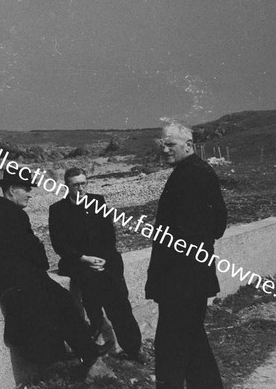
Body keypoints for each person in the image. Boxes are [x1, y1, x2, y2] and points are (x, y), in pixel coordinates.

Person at [0, 166, 111, 377]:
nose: (30, 193)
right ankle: (83, 352)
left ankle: (84, 351)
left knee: (58, 300)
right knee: (62, 300)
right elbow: (35, 254)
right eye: (26, 189)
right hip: (18, 280)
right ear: (11, 191)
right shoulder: (15, 216)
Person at [145, 121, 227, 389]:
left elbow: (197, 230)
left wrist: (170, 277)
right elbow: (217, 224)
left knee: (170, 346)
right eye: (163, 144)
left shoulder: (192, 174)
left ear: (189, 145)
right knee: (192, 342)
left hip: (182, 281)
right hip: (188, 279)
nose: (165, 149)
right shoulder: (194, 171)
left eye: (171, 144)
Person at [48, 167, 144, 362]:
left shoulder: (97, 201)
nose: (80, 189)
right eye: (75, 185)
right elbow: (59, 243)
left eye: (84, 184)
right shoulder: (58, 210)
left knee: (120, 303)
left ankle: (134, 349)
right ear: (67, 186)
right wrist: (84, 259)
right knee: (92, 303)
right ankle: (93, 348)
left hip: (105, 261)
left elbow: (108, 235)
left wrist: (101, 261)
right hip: (79, 263)